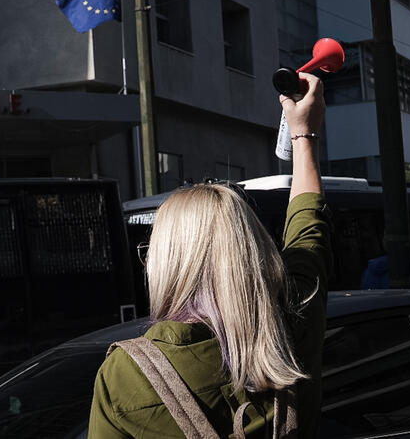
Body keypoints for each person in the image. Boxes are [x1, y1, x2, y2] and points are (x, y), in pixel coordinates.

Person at [88, 73, 332, 438]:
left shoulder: (125, 374)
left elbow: (307, 227)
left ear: (165, 263)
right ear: (249, 253)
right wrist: (303, 135)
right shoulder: (291, 323)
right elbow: (308, 225)